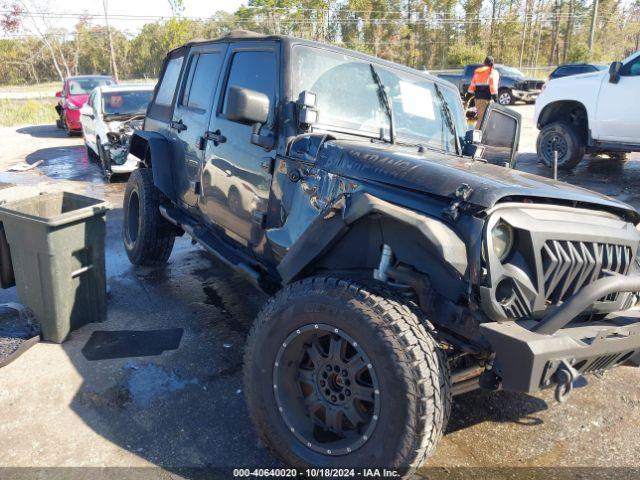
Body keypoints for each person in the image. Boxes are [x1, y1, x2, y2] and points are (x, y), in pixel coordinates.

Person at [466, 56, 500, 124]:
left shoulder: (478, 73)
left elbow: (471, 88)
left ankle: (479, 133)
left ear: (484, 63)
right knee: (482, 121)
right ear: (493, 64)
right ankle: (477, 134)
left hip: (477, 100)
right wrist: (497, 103)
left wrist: (466, 99)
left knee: (482, 119)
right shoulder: (492, 72)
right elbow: (493, 88)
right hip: (486, 100)